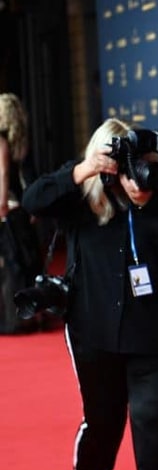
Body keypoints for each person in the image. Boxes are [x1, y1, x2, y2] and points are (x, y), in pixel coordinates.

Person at [22, 118, 158, 470]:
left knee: (156, 430)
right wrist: (83, 170)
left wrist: (147, 204)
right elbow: (32, 199)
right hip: (94, 335)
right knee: (103, 425)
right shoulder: (80, 190)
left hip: (151, 335)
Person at [0, 92, 43, 334]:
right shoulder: (22, 142)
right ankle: (33, 314)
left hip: (9, 208)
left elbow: (4, 174)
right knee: (28, 262)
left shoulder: (2, 141)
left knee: (11, 266)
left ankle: (13, 318)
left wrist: (2, 205)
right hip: (23, 208)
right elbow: (27, 176)